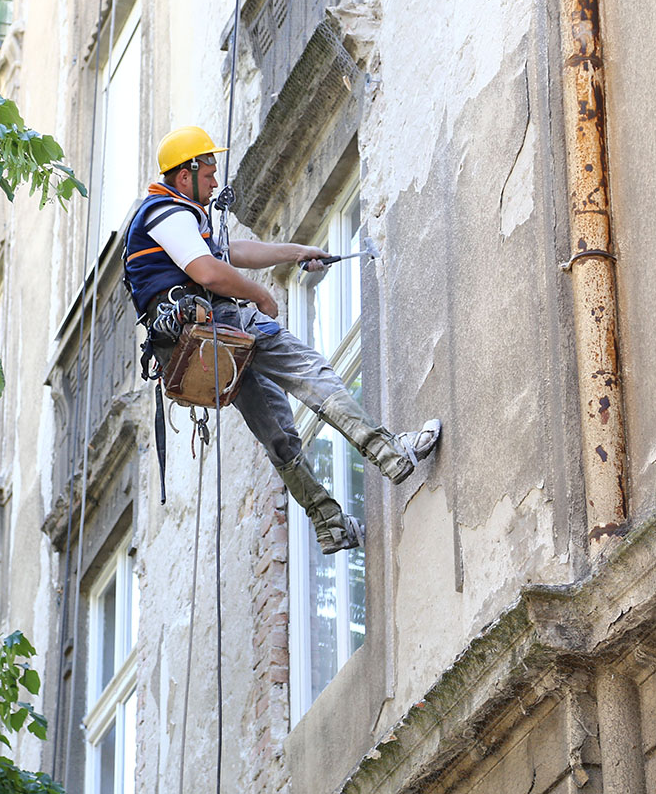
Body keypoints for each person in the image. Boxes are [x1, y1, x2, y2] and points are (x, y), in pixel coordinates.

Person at [123, 126, 441, 554]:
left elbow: (230, 252)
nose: (216, 182)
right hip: (217, 323)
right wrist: (259, 294)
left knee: (277, 432)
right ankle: (389, 452)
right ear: (186, 175)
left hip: (194, 344)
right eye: (210, 172)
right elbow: (210, 272)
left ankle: (329, 523)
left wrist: (295, 252)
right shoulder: (167, 212)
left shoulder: (170, 221)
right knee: (310, 371)